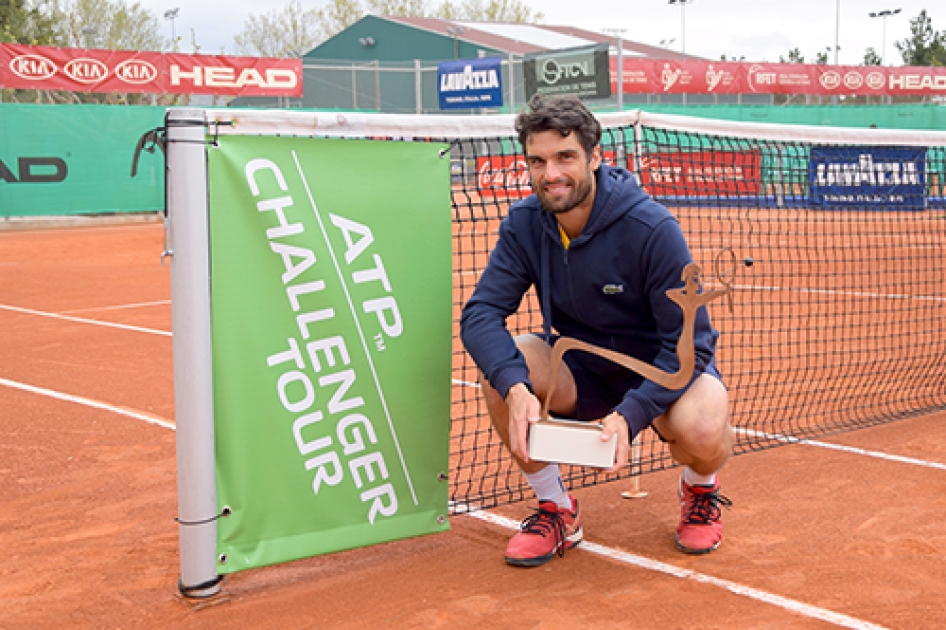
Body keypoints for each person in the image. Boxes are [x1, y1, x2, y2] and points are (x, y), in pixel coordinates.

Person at [460, 94, 734, 568]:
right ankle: (558, 509)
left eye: (565, 157)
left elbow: (692, 344)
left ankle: (700, 489)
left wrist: (631, 414)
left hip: (659, 373)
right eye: (538, 161)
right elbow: (481, 313)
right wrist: (516, 388)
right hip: (581, 370)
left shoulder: (651, 228)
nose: (551, 174)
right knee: (503, 369)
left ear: (595, 157)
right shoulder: (525, 224)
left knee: (704, 425)